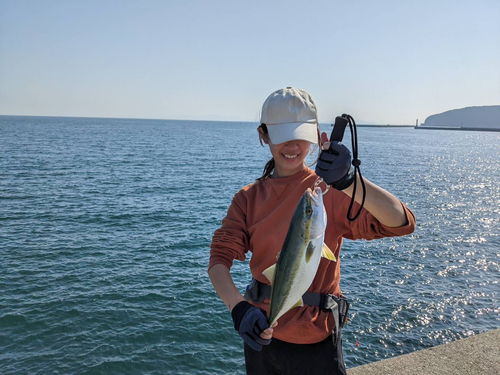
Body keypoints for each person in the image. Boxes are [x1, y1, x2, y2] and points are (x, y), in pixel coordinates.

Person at [208, 87, 416, 375]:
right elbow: (219, 261)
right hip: (261, 338)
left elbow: (401, 222)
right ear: (264, 135)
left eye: (301, 136)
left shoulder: (330, 190)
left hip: (319, 342)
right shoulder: (247, 199)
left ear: (317, 135)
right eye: (282, 135)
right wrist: (238, 307)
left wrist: (352, 181)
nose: (293, 145)